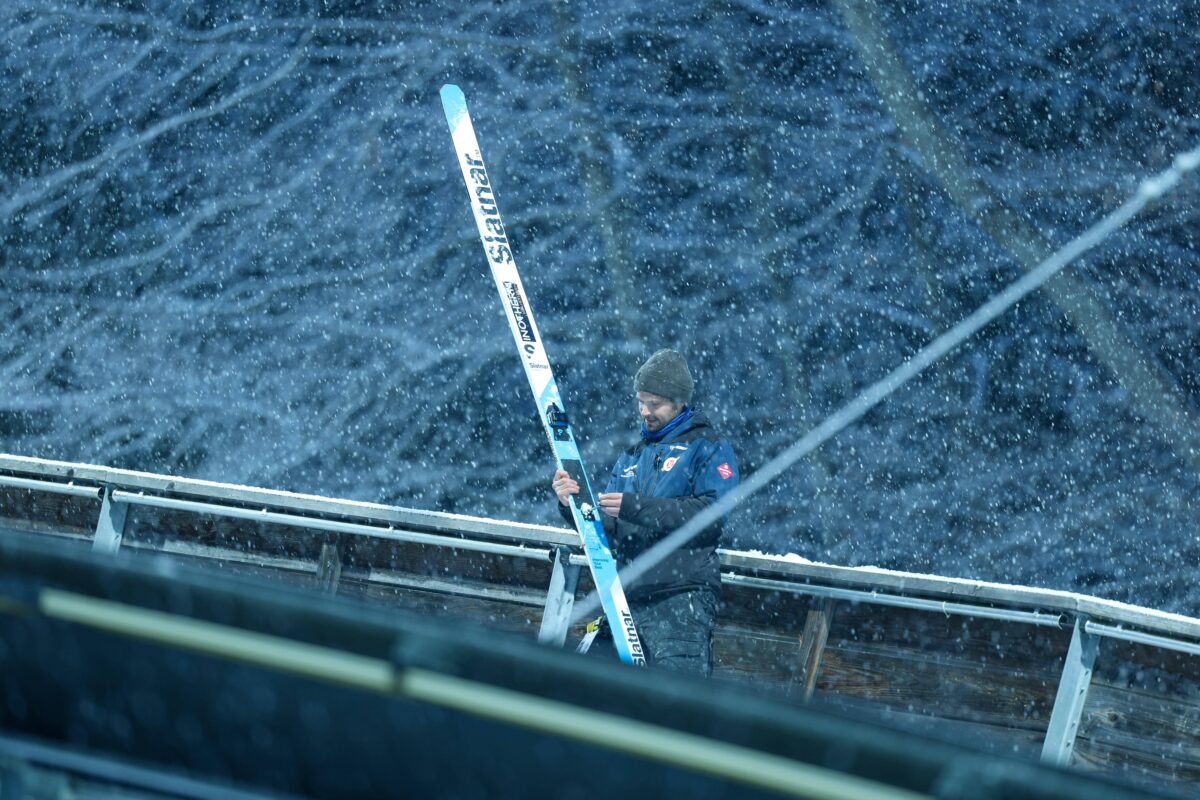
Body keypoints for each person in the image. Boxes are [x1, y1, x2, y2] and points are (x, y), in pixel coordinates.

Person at [551, 349, 739, 676]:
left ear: (679, 402)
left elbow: (710, 518)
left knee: (675, 704)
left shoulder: (708, 446)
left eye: (655, 403)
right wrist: (571, 506)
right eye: (641, 401)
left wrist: (635, 507)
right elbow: (608, 530)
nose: (645, 411)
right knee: (588, 690)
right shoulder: (632, 456)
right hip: (625, 597)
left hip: (681, 596)